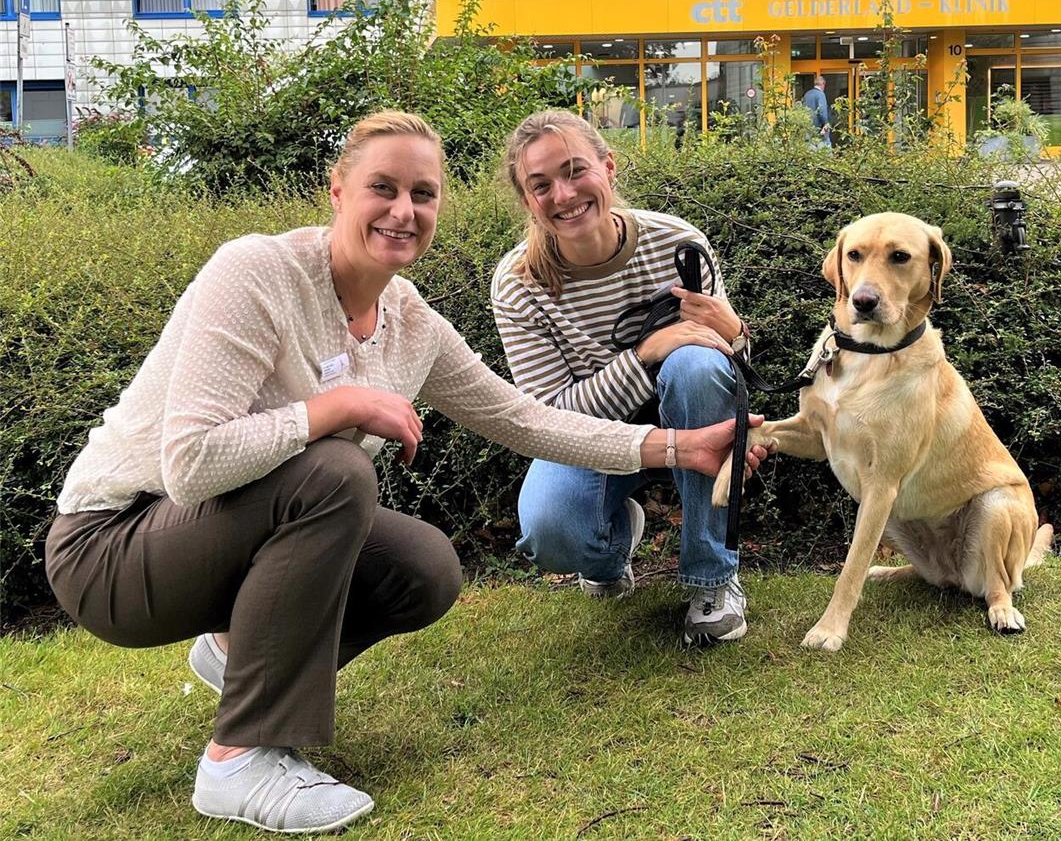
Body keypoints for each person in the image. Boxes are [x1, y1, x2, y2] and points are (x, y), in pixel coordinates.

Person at [43, 111, 763, 834]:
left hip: (208, 539)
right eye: (381, 187)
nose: (403, 210)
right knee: (332, 473)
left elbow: (524, 419)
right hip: (111, 546)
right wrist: (337, 406)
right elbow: (192, 464)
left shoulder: (407, 318)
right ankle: (240, 758)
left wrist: (683, 449)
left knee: (422, 567)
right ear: (336, 191)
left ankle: (234, 649)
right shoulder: (257, 271)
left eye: (423, 193)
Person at [491, 110, 762, 648]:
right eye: (540, 185)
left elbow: (727, 361)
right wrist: (644, 355)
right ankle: (611, 545)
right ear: (527, 201)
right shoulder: (519, 285)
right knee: (549, 528)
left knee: (696, 365)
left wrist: (737, 334)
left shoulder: (678, 244)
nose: (563, 195)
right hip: (591, 441)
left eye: (575, 171)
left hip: (690, 414)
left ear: (609, 168)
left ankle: (713, 578)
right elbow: (549, 420)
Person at [802, 76, 832, 149]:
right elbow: (822, 110)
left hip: (807, 128)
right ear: (822, 84)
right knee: (825, 150)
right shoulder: (820, 94)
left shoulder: (807, 94)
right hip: (818, 128)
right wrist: (826, 123)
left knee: (810, 151)